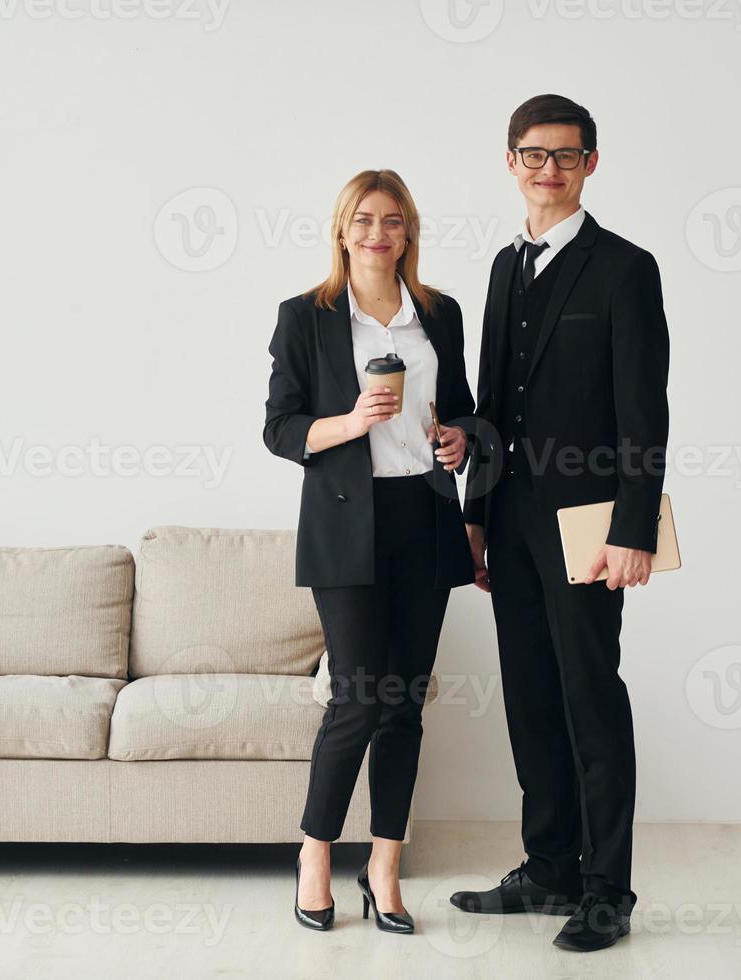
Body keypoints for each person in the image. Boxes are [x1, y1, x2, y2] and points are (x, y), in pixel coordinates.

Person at [448, 94, 671, 953]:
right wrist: (476, 516)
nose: (549, 170)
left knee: (590, 697)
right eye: (534, 155)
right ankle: (549, 869)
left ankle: (607, 888)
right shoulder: (506, 270)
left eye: (567, 157)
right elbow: (492, 406)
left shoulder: (625, 268)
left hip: (590, 525)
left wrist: (635, 528)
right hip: (509, 519)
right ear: (511, 162)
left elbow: (642, 411)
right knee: (532, 699)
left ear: (590, 166)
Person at [263, 169, 478, 935]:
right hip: (347, 525)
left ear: (408, 231)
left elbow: (465, 414)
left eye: (392, 220)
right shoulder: (307, 316)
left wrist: (459, 437)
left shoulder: (440, 314)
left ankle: (384, 865)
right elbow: (281, 429)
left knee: (403, 706)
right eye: (364, 220)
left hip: (423, 517)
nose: (378, 233)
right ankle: (315, 854)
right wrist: (352, 421)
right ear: (342, 230)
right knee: (358, 696)